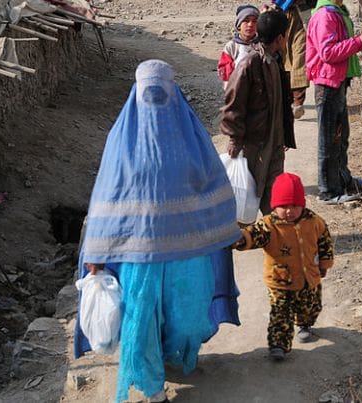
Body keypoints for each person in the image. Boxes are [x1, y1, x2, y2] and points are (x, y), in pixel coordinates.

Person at [74, 60, 243, 403]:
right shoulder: (120, 144)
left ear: (174, 91)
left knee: (190, 319)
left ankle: (173, 355)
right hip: (140, 257)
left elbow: (213, 181)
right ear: (136, 92)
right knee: (140, 325)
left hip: (188, 251)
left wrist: (225, 228)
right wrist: (95, 255)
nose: (154, 98)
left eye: (160, 90)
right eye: (147, 91)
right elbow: (106, 196)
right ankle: (153, 388)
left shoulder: (192, 137)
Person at [232, 172, 334, 361]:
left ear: (302, 205)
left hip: (308, 277)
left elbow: (324, 242)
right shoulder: (269, 225)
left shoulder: (314, 221)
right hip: (280, 281)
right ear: (274, 205)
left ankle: (304, 324)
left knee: (310, 305)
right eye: (284, 206)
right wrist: (240, 239)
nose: (289, 210)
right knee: (281, 312)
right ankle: (279, 344)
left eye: (294, 206)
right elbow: (254, 234)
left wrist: (325, 264)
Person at [221, 9, 296, 215]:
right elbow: (232, 104)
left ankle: (271, 236)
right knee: (249, 192)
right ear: (280, 37)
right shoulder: (250, 63)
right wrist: (235, 140)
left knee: (273, 193)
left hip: (274, 141)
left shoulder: (276, 59)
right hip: (254, 143)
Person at [306, 0, 362, 204]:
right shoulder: (325, 16)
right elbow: (328, 53)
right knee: (329, 140)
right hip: (327, 83)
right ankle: (328, 191)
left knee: (340, 136)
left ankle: (342, 180)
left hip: (336, 81)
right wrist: (360, 41)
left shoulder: (337, 12)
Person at [267, 0, 316, 119]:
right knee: (284, 57)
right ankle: (286, 98)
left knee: (300, 57)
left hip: (302, 15)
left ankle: (298, 101)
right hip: (281, 14)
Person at [217, 4, 260, 88]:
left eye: (254, 21)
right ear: (239, 25)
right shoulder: (231, 47)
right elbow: (222, 72)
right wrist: (238, 64)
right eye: (246, 21)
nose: (250, 25)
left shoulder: (260, 45)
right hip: (235, 90)